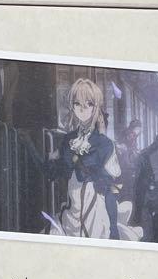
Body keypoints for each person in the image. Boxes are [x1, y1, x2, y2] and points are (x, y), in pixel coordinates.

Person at [45, 78, 140, 241]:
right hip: (71, 212)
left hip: (95, 211)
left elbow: (110, 190)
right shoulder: (68, 139)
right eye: (77, 103)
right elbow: (52, 173)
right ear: (72, 106)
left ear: (95, 107)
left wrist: (113, 228)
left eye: (88, 104)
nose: (82, 108)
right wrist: (40, 153)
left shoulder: (105, 144)